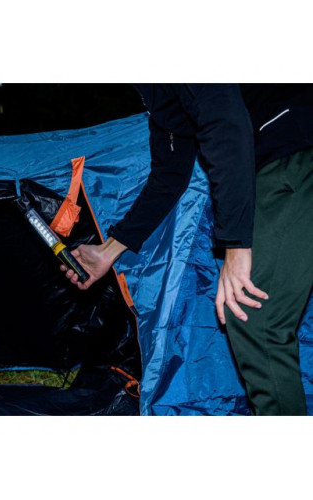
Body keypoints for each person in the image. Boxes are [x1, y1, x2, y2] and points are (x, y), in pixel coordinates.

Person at [60, 84, 313, 416]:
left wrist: (237, 246)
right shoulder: (157, 91)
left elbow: (226, 125)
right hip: (289, 154)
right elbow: (169, 176)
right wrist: (106, 252)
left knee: (251, 312)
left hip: (296, 149)